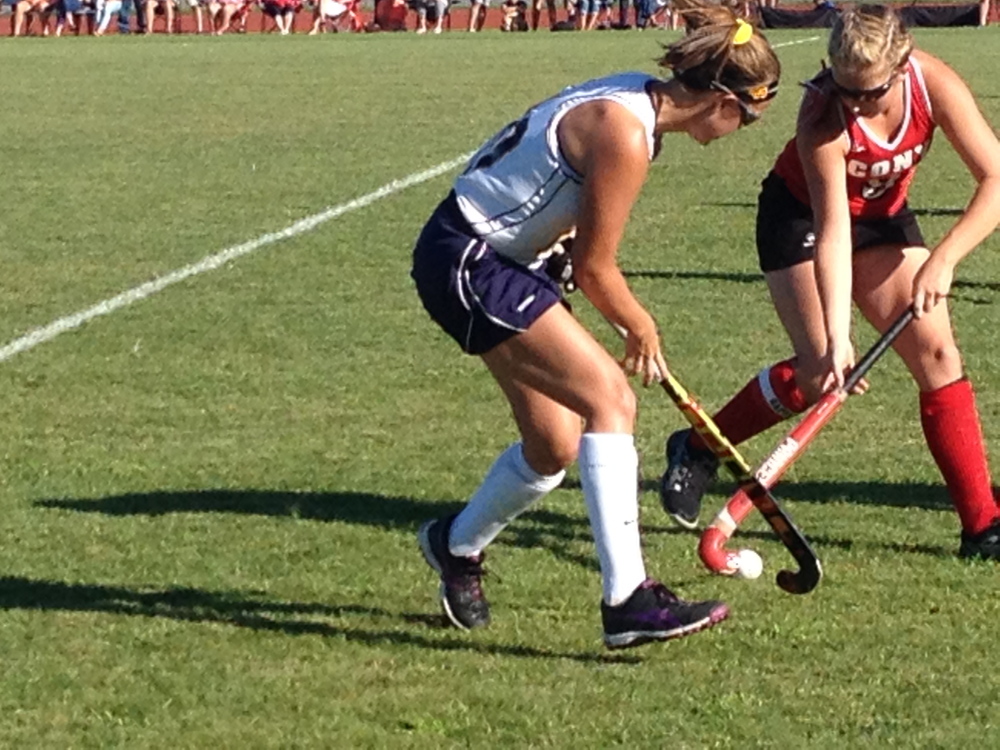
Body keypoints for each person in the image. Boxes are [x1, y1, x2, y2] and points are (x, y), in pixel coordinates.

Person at [411, 6, 781, 649]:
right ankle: (628, 599)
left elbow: (572, 221)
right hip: (472, 259)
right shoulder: (628, 133)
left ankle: (455, 544)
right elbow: (598, 269)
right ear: (720, 100)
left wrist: (573, 257)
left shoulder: (637, 98)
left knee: (553, 445)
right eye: (746, 117)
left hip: (513, 260)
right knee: (612, 398)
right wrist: (639, 325)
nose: (743, 129)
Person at [659, 5, 1000, 560]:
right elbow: (834, 231)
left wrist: (944, 259)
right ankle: (697, 446)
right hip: (800, 219)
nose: (858, 105)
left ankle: (982, 527)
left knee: (939, 353)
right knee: (821, 370)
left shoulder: (933, 84)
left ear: (902, 64)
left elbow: (996, 177)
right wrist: (840, 337)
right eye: (848, 91)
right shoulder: (822, 116)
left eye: (872, 93)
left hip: (883, 218)